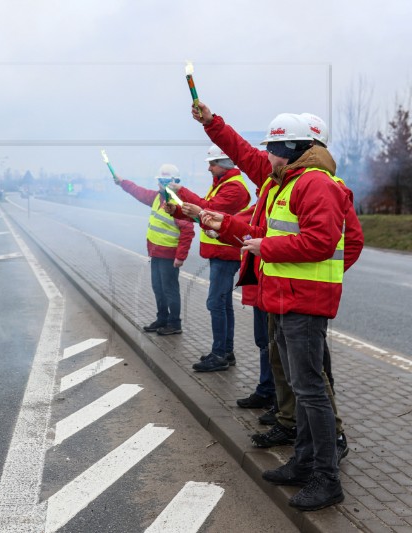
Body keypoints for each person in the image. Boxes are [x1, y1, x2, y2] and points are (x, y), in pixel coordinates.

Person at [198, 108, 360, 512]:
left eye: (272, 148)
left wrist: (266, 248)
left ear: (290, 149)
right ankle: (305, 462)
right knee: (304, 388)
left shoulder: (315, 184)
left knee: (311, 390)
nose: (265, 155)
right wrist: (229, 226)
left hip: (302, 301)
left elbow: (322, 242)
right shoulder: (290, 183)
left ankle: (326, 478)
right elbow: (266, 233)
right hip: (287, 298)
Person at [166, 145, 251, 372]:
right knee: (222, 304)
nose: (208, 168)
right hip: (220, 253)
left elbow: (208, 210)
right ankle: (225, 351)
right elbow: (201, 216)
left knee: (216, 303)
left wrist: (182, 192)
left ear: (223, 163)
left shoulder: (234, 189)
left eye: (211, 164)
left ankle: (220, 354)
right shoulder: (223, 185)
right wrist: (176, 210)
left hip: (226, 253)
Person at [114, 164, 194, 335]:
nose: (161, 184)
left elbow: (188, 231)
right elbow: (138, 192)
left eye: (164, 181)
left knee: (170, 289)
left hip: (169, 254)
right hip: (156, 253)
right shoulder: (158, 197)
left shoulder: (179, 202)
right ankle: (162, 319)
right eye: (159, 180)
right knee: (158, 287)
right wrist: (122, 182)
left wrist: (180, 257)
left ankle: (174, 324)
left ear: (175, 182)